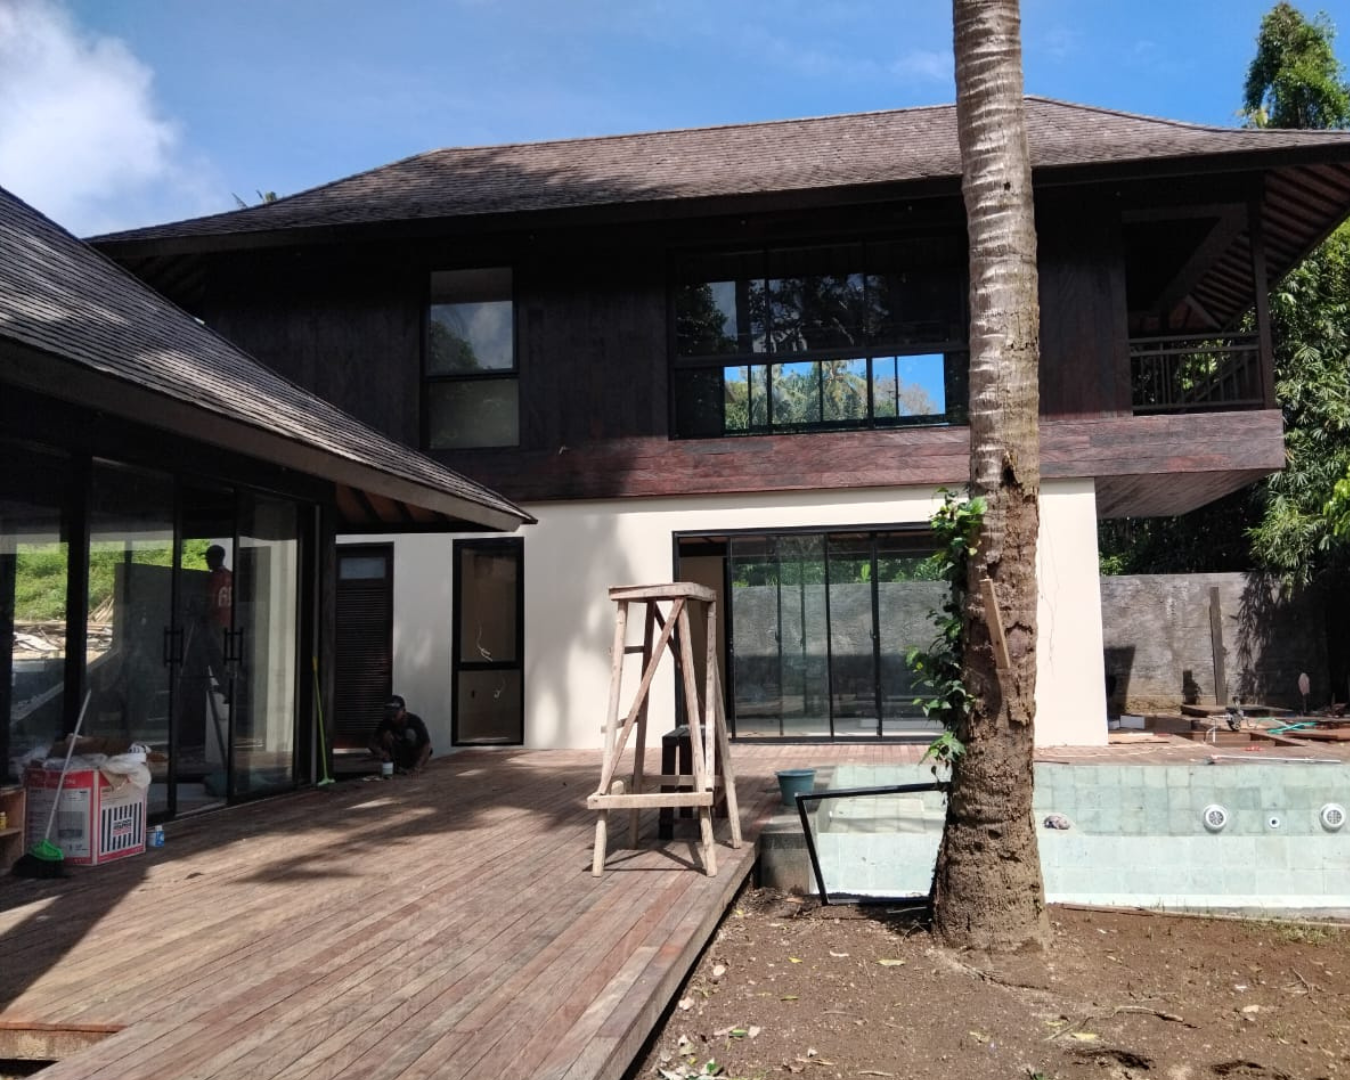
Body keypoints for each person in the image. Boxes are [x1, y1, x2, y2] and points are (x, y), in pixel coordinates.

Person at [368, 694, 432, 774]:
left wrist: (418, 766)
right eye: (389, 715)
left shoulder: (415, 721)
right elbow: (371, 743)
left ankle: (412, 766)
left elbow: (427, 745)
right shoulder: (386, 722)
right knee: (386, 735)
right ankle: (394, 765)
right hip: (396, 756)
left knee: (410, 733)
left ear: (403, 711)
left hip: (414, 755)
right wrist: (382, 753)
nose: (392, 718)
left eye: (395, 715)